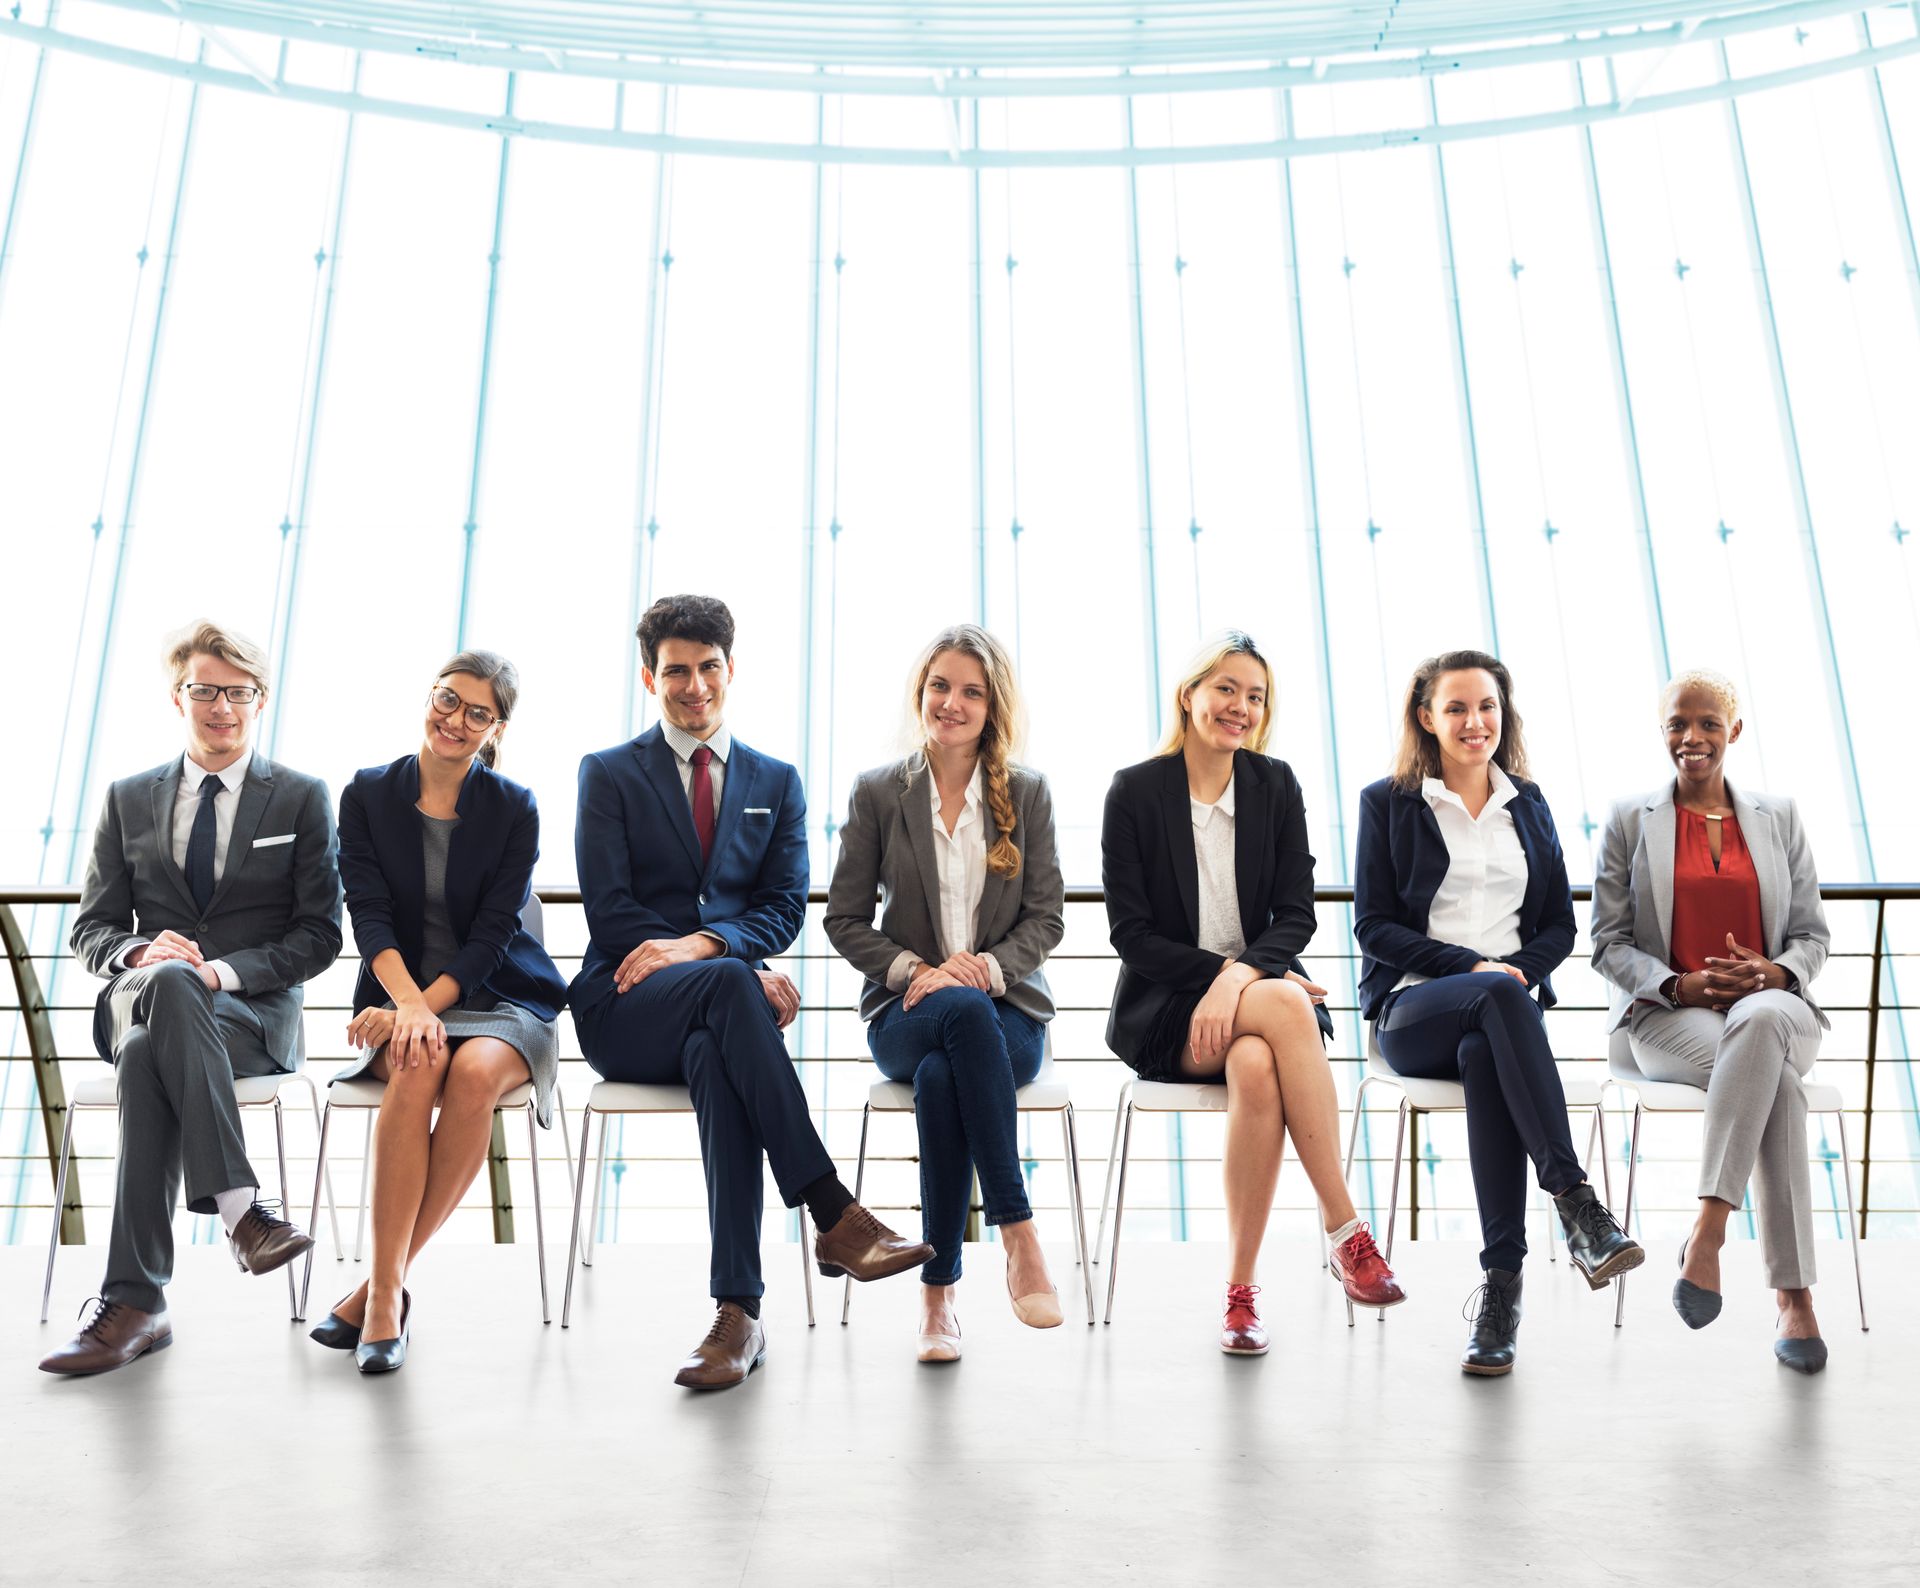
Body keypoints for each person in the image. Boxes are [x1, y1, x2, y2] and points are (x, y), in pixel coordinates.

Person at [571, 594, 933, 1389]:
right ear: (649, 677)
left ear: (731, 670)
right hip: (623, 1007)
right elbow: (609, 907)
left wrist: (708, 950)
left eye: (708, 668)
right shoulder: (608, 774)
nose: (693, 685)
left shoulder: (777, 780)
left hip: (717, 1012)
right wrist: (722, 968)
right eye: (675, 671)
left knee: (721, 1048)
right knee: (733, 998)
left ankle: (738, 1318)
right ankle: (833, 1210)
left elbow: (781, 905)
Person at [42, 622, 340, 1376]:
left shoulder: (301, 799)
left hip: (248, 1016)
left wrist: (222, 972)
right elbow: (92, 929)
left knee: (148, 1056)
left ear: (260, 700)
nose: (221, 707)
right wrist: (141, 951)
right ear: (178, 695)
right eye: (204, 689)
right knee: (166, 988)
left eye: (237, 692)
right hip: (144, 992)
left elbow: (318, 937)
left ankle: (137, 1305)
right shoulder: (127, 798)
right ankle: (243, 1214)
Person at [1102, 631, 1404, 1357]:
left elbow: (1297, 911)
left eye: (1255, 696)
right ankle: (1345, 1229)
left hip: (1258, 1006)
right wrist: (1228, 978)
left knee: (1258, 1065)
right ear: (1190, 695)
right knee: (1289, 1003)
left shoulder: (1276, 786)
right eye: (1227, 689)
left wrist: (1242, 977)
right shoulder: (1136, 791)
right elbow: (1132, 935)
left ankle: (1240, 1298)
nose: (1240, 707)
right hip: (1167, 1009)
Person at [1355, 648, 1642, 1376]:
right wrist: (1477, 969)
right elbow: (1375, 925)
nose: (1474, 721)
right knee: (1498, 999)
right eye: (1456, 708)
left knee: (1491, 1045)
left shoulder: (1530, 803)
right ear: (1427, 718)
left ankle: (1501, 1293)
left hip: (1501, 1016)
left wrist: (1511, 974)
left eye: (1486, 706)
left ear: (1503, 713)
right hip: (1414, 1007)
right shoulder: (1387, 802)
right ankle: (1577, 1202)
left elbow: (1557, 927)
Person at [308, 651, 567, 1373]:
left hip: (504, 997)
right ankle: (387, 1292)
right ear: (429, 698)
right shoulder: (366, 795)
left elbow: (492, 938)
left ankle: (381, 1291)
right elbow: (372, 917)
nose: (455, 719)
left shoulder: (514, 808)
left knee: (476, 1071)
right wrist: (407, 1009)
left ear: (496, 728)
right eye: (447, 700)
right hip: (403, 994)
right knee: (419, 1064)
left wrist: (419, 1010)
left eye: (477, 712)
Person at [825, 625, 1067, 1363]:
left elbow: (1046, 916)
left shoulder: (1026, 793)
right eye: (941, 686)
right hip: (904, 1012)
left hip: (1006, 1015)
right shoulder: (878, 793)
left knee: (944, 1073)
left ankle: (938, 1298)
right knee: (946, 1026)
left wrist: (984, 969)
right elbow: (842, 918)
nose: (952, 703)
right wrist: (911, 971)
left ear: (993, 707)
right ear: (920, 692)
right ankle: (1017, 1230)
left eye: (971, 691)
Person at [1591, 669, 1833, 1373]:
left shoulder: (1779, 815)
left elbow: (1813, 934)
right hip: (1670, 1017)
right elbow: (1607, 942)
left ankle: (1707, 1231)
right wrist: (1681, 981)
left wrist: (1775, 973)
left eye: (1706, 723)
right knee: (1775, 1086)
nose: (1690, 738)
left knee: (1759, 1024)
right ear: (1661, 731)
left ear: (1735, 730)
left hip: (1777, 1008)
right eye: (1676, 724)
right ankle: (1795, 1298)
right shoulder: (1631, 818)